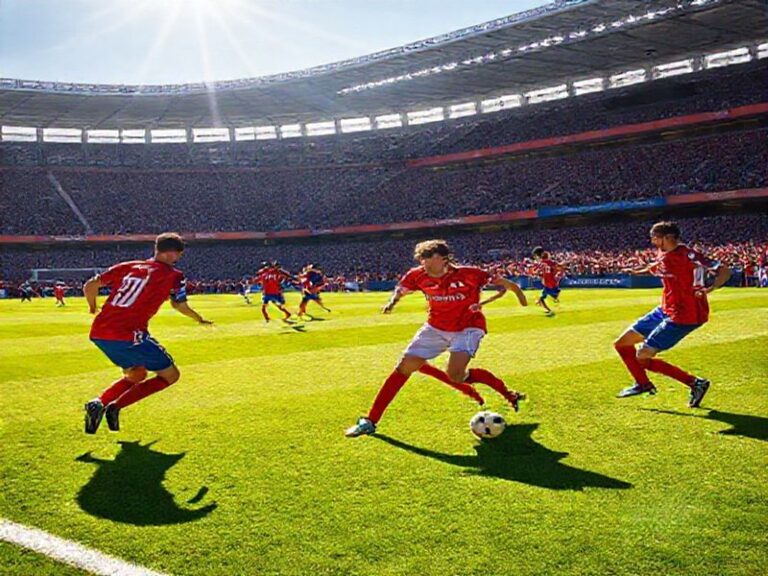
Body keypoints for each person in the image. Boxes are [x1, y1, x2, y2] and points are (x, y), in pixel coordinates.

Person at [345, 240, 528, 438]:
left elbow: (506, 287)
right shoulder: (417, 275)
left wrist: (514, 300)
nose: (423, 262)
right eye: (421, 258)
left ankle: (508, 393)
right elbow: (401, 289)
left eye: (427, 258)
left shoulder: (470, 274)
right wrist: (392, 302)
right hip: (435, 327)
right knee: (404, 366)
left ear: (442, 258)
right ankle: (370, 421)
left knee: (455, 376)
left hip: (468, 328)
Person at [83, 233, 212, 434]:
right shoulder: (174, 275)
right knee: (170, 375)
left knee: (137, 374)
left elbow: (89, 286)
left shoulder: (129, 266)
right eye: (178, 254)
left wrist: (93, 308)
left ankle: (99, 403)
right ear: (172, 254)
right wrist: (198, 318)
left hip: (100, 333)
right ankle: (115, 407)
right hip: (129, 334)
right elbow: (179, 304)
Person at [614, 221, 731, 408]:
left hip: (685, 315)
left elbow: (724, 270)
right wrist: (639, 270)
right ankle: (642, 384)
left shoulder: (688, 255)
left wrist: (711, 288)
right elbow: (658, 265)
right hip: (665, 308)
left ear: (668, 237)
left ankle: (695, 383)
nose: (652, 241)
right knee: (622, 343)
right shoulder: (663, 253)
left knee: (642, 357)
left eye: (655, 237)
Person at [529, 247, 564, 316]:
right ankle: (553, 299)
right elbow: (560, 267)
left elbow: (535, 271)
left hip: (547, 283)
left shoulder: (542, 263)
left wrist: (536, 273)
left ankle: (548, 309)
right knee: (556, 292)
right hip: (553, 282)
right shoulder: (552, 262)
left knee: (542, 298)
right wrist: (558, 272)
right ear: (548, 256)